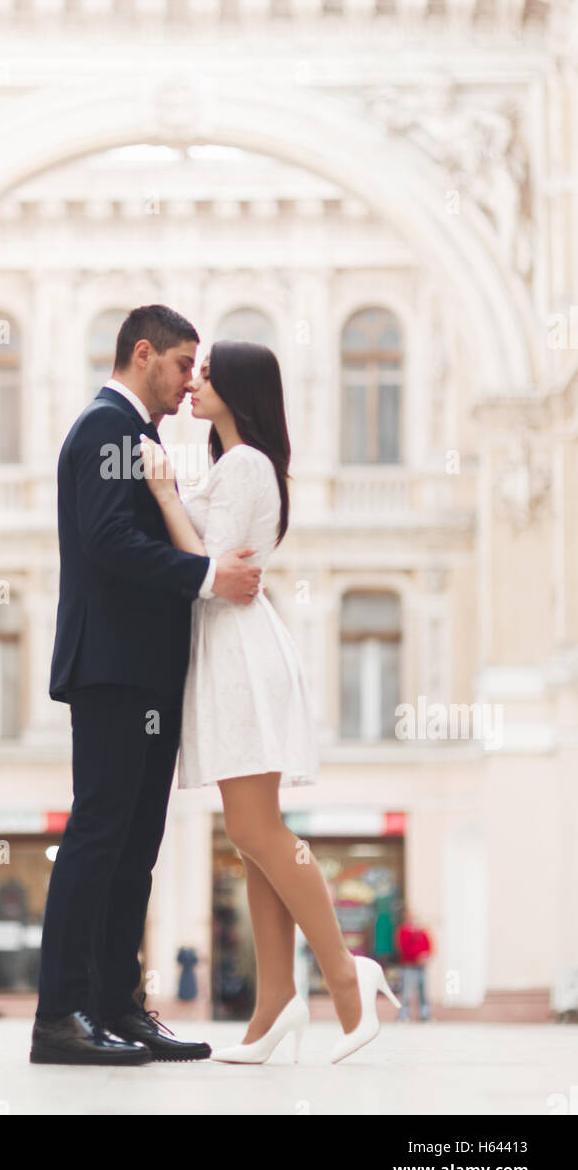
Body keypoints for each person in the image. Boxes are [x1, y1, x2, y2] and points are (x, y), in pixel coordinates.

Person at [138, 339, 401, 1064]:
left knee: (257, 832)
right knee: (250, 841)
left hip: (240, 656)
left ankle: (345, 976)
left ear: (240, 390)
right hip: (228, 652)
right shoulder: (235, 465)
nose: (193, 383)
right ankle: (273, 1005)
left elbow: (207, 561)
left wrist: (164, 493)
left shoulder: (246, 463)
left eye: (208, 375)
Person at [30, 305, 263, 1066]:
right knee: (98, 840)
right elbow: (107, 543)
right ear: (142, 353)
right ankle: (61, 1015)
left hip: (143, 674)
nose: (190, 379)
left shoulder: (140, 438)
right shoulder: (106, 429)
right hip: (113, 670)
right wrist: (205, 575)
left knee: (133, 849)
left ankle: (115, 1007)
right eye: (182, 363)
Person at [396, 907, 433, 1021]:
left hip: (421, 966)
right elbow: (405, 948)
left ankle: (425, 1015)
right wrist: (416, 956)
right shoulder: (404, 931)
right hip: (409, 966)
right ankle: (404, 1015)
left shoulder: (422, 931)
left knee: (423, 992)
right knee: (406, 991)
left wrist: (425, 956)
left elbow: (428, 945)